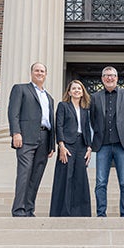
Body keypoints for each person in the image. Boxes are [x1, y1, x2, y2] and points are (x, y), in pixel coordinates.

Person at [7, 62, 55, 217]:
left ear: (46, 74)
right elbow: (13, 112)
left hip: (45, 137)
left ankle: (29, 209)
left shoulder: (49, 98)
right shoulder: (20, 89)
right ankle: (18, 209)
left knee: (36, 176)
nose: (40, 73)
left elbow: (50, 121)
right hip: (26, 137)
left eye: (42, 71)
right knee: (24, 173)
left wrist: (51, 144)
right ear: (31, 73)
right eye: (37, 70)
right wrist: (16, 132)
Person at [90, 66, 124, 217]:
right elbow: (92, 120)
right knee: (101, 182)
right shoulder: (95, 97)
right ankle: (101, 213)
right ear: (102, 79)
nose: (109, 78)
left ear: (117, 78)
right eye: (106, 76)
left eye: (112, 75)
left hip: (122, 144)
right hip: (102, 144)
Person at [49, 80, 92, 217]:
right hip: (67, 145)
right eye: (74, 88)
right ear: (69, 92)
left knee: (80, 178)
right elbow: (59, 126)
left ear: (82, 91)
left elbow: (86, 129)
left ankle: (81, 212)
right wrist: (61, 145)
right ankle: (62, 212)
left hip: (82, 145)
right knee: (65, 177)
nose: (77, 91)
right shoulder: (63, 106)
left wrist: (89, 148)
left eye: (79, 88)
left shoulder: (85, 110)